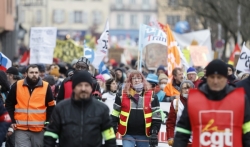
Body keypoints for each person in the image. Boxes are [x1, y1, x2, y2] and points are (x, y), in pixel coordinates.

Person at [173, 59, 250, 147]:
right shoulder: (194, 99)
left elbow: (247, 134)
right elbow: (182, 133)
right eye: (212, 77)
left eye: (219, 77)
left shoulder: (240, 99)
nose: (215, 81)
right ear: (207, 77)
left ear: (226, 78)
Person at [44, 70, 116, 147]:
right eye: (79, 85)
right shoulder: (61, 108)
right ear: (74, 88)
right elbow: (50, 136)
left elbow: (110, 138)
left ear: (91, 88)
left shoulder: (102, 109)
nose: (83, 89)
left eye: (86, 85)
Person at [5, 64, 55, 147]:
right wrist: (12, 121)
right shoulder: (17, 85)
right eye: (31, 72)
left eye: (36, 72)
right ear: (26, 74)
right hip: (21, 129)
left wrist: (47, 122)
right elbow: (9, 104)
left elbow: (51, 106)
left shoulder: (46, 86)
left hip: (39, 129)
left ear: (39, 73)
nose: (34, 74)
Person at [111, 70, 161, 147]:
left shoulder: (152, 95)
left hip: (144, 134)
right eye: (134, 78)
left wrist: (154, 132)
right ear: (130, 80)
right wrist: (113, 127)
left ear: (142, 80)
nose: (136, 80)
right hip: (127, 134)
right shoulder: (121, 94)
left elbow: (157, 116)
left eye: (138, 78)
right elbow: (115, 113)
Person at [166, 80, 194, 146]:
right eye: (185, 88)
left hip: (194, 140)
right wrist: (170, 137)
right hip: (179, 139)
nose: (187, 90)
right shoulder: (175, 103)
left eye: (189, 88)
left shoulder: (197, 103)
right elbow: (170, 123)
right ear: (181, 90)